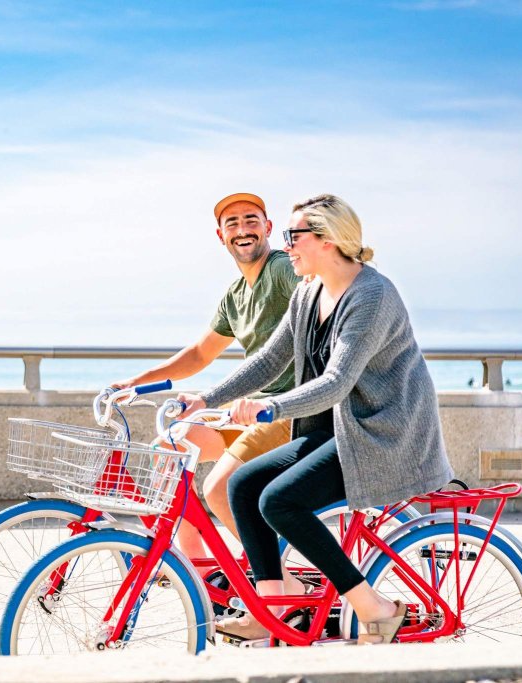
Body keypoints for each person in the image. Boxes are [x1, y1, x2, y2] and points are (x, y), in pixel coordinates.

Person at [178, 193, 454, 643]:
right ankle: (274, 608)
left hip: (381, 434)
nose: (287, 246)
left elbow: (338, 381)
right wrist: (205, 398)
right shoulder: (309, 293)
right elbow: (269, 361)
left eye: (294, 236)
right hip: (335, 429)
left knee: (279, 501)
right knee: (241, 486)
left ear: (327, 240)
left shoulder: (372, 295)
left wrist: (272, 407)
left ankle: (377, 609)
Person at [111, 192, 300, 564]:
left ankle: (276, 584)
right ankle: (197, 568)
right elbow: (200, 354)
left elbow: (317, 292)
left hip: (285, 408)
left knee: (224, 487)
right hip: (249, 407)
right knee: (170, 446)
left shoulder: (279, 269)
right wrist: (135, 383)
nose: (242, 230)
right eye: (233, 223)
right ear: (221, 236)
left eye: (251, 220)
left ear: (268, 228)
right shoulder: (235, 295)